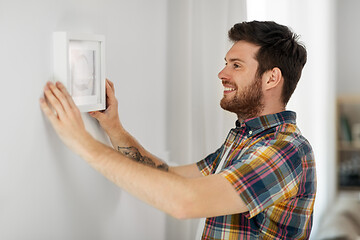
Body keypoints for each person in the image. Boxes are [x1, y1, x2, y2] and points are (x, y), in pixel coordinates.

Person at [40, 20, 316, 239]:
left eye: (236, 65)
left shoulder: (286, 150)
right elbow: (171, 177)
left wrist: (82, 142)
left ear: (272, 78)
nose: (222, 73)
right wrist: (114, 128)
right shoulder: (244, 138)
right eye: (226, 63)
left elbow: (186, 201)